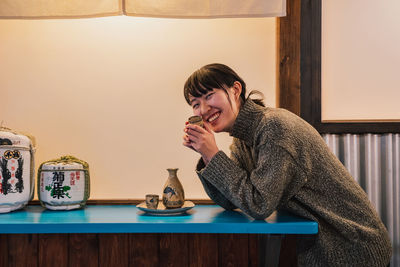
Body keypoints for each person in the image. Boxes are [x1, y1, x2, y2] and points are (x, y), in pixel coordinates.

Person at [182, 63, 392, 266]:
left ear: (236, 90)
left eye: (209, 95)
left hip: (351, 245)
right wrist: (207, 155)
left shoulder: (274, 127)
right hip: (325, 245)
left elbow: (258, 205)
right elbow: (232, 200)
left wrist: (214, 154)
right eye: (195, 103)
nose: (204, 108)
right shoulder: (242, 139)